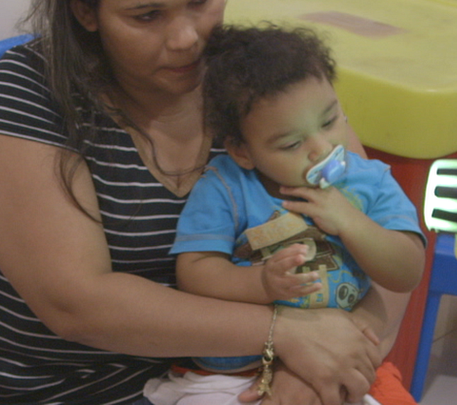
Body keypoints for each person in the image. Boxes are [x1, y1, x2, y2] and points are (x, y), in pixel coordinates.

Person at [0, 0, 415, 405]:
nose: (187, 38)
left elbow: (375, 234)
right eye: (147, 16)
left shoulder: (254, 83)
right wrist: (285, 334)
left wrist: (321, 362)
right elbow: (79, 305)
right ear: (86, 11)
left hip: (247, 377)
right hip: (70, 390)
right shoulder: (29, 90)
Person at [143, 25, 425, 404]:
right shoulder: (227, 186)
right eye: (292, 143)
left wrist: (351, 221)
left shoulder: (368, 181)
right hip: (233, 372)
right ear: (243, 151)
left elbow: (406, 271)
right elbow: (195, 270)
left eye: (329, 121)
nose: (321, 148)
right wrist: (261, 285)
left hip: (341, 360)